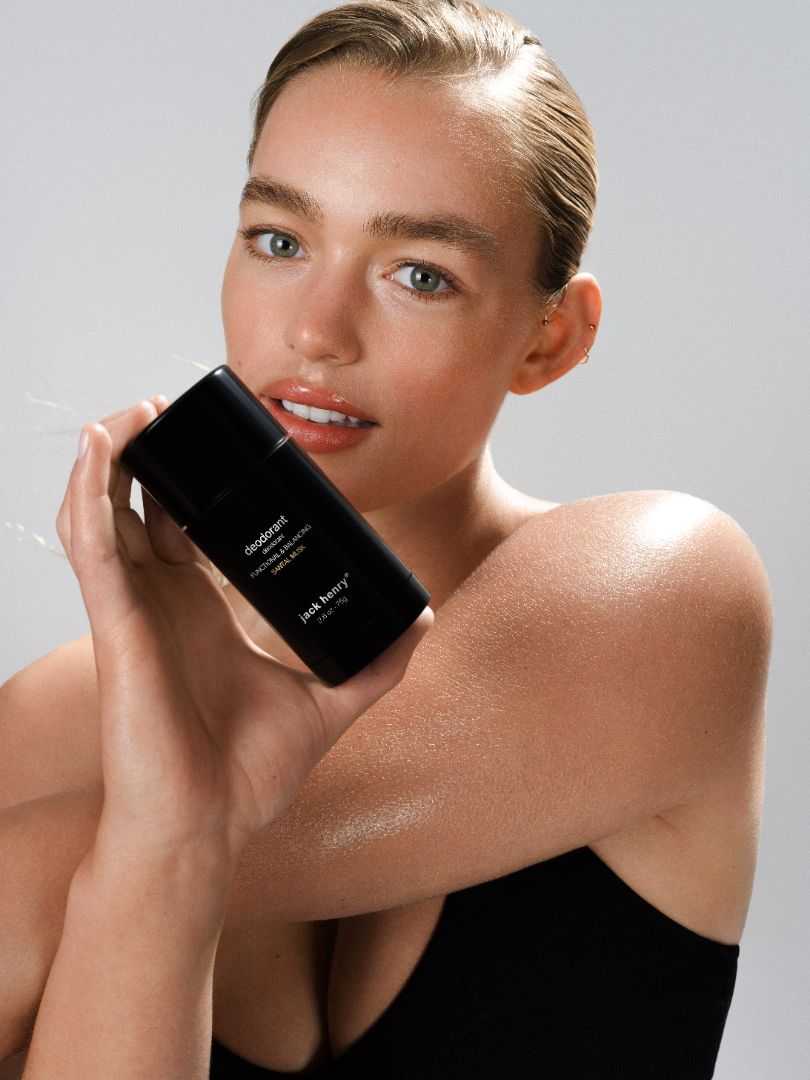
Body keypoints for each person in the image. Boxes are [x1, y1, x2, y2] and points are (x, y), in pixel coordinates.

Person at [0, 1, 773, 1076]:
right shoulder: (56, 719)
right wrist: (162, 839)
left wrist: (151, 847)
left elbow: (38, 894)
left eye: (420, 273)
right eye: (279, 240)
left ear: (549, 338)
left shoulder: (662, 593)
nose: (315, 332)